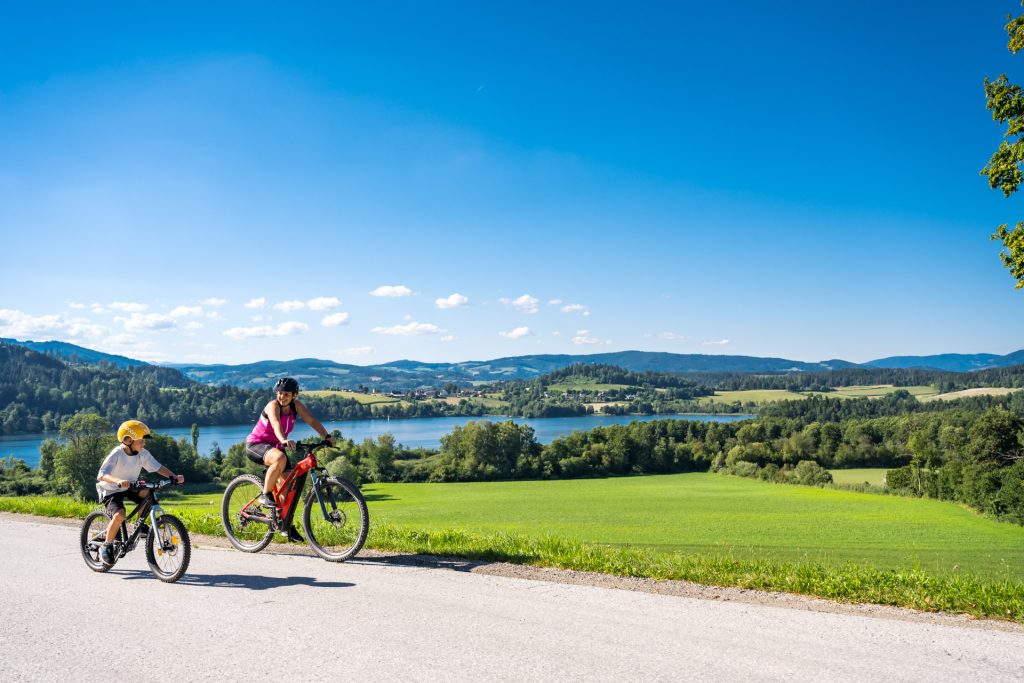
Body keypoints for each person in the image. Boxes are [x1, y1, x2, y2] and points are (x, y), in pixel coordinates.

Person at [245, 377, 335, 542]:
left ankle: (285, 526)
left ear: (294, 395)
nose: (282, 397)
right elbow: (276, 423)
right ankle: (265, 494)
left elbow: (311, 420)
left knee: (289, 491)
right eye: (280, 393)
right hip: (257, 444)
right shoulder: (273, 406)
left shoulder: (296, 406)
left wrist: (326, 436)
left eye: (286, 394)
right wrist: (283, 439)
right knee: (279, 458)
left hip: (277, 447)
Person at [95, 420, 184, 566]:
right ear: (128, 440)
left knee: (147, 493)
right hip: (111, 489)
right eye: (141, 441)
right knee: (120, 515)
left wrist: (173, 477)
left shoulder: (142, 454)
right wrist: (117, 481)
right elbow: (102, 474)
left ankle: (139, 525)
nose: (144, 444)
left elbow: (157, 467)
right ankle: (106, 546)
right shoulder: (117, 453)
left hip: (130, 486)